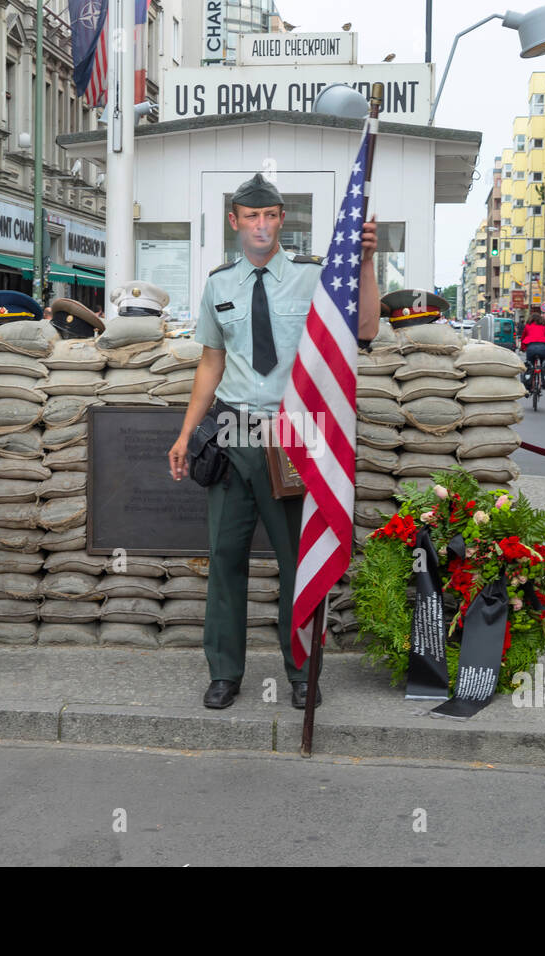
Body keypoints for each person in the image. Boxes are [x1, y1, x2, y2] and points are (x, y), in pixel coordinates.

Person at [166, 172, 379, 711]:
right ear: (235, 222)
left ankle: (303, 673)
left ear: (282, 220)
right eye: (250, 216)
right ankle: (224, 672)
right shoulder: (219, 284)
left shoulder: (313, 278)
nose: (260, 225)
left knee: (296, 560)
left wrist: (368, 263)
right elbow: (211, 360)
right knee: (225, 559)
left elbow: (366, 330)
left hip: (293, 434)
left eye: (270, 216)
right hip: (233, 432)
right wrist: (187, 432)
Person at [519, 314, 545, 388]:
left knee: (529, 365)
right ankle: (544, 382)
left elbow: (523, 338)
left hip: (531, 348)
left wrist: (522, 348)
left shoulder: (527, 326)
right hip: (543, 348)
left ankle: (528, 383)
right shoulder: (543, 327)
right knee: (544, 365)